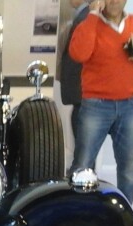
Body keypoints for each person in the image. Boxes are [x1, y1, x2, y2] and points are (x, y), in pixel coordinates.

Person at [67, 0, 133, 204]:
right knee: (82, 166)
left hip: (129, 106)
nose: (114, 1)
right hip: (95, 106)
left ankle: (124, 214)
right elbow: (79, 53)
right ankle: (77, 212)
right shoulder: (89, 24)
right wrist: (93, 15)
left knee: (129, 171)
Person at [55, 0, 90, 172]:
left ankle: (82, 169)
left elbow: (79, 56)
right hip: (78, 89)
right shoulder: (81, 16)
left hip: (81, 89)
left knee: (82, 132)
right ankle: (81, 167)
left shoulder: (86, 17)